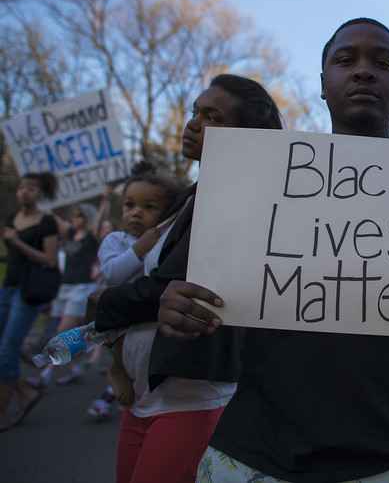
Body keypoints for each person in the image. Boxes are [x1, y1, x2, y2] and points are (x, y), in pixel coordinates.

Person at [149, 18, 389, 483]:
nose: (364, 71)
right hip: (256, 453)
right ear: (323, 85)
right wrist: (177, 305)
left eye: (383, 62)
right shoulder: (264, 177)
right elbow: (203, 294)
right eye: (345, 60)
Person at [92, 74, 283, 483]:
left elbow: (175, 284)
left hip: (191, 397)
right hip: (145, 395)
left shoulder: (240, 200)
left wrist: (104, 304)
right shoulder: (189, 198)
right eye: (195, 111)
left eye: (212, 116)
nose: (193, 123)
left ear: (247, 137)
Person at [87, 163, 181, 421]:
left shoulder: (166, 240)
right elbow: (113, 275)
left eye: (149, 207)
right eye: (130, 205)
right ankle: (115, 370)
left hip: (151, 312)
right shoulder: (115, 240)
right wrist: (139, 249)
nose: (136, 213)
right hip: (120, 310)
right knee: (117, 340)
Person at [0, 173, 59, 431]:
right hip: (7, 288)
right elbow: (10, 257)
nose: (25, 192)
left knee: (6, 349)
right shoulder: (11, 219)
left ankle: (5, 408)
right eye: (22, 187)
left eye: (32, 189)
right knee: (3, 349)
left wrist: (16, 242)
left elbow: (50, 260)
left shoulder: (46, 222)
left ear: (40, 194)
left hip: (28, 293)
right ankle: (25, 390)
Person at [31, 204, 100, 387]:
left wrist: (106, 198)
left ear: (87, 219)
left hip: (81, 288)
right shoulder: (69, 235)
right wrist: (45, 207)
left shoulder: (92, 238)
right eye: (74, 216)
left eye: (80, 216)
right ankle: (76, 366)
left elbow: (100, 218)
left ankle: (45, 374)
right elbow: (55, 218)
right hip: (64, 289)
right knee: (71, 334)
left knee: (61, 331)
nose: (75, 219)